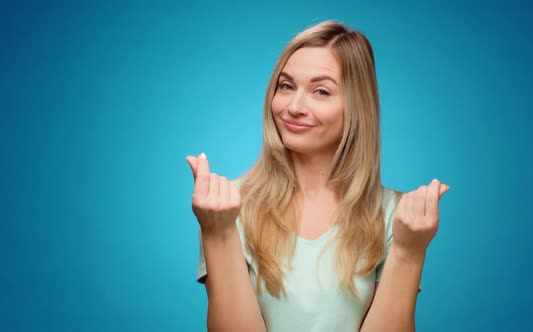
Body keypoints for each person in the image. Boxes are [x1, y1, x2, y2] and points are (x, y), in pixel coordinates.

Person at [186, 20, 449, 332]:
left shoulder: (397, 216)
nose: (294, 107)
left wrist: (408, 251)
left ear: (356, 105)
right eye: (286, 86)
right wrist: (218, 234)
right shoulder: (225, 207)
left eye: (321, 91)